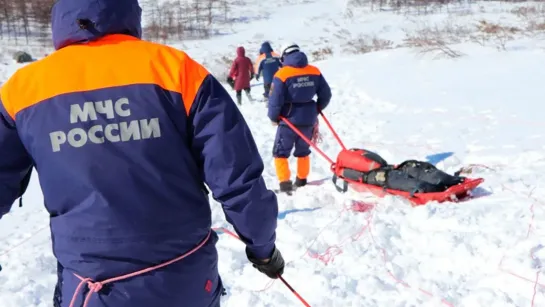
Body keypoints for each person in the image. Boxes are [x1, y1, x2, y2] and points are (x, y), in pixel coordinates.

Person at [0, 1, 284, 307]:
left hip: (91, 289)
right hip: (183, 281)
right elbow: (236, 176)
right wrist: (263, 248)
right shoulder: (176, 69)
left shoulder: (23, 89)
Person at [268, 43, 332, 193]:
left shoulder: (282, 74)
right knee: (303, 150)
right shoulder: (314, 71)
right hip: (309, 118)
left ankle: (285, 184)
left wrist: (273, 117)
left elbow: (275, 100)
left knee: (280, 152)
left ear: (284, 56)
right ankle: (302, 180)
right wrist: (316, 108)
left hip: (288, 119)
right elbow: (326, 94)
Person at [335, 148, 465, 194]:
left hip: (383, 172)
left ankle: (439, 184)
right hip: (384, 171)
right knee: (411, 171)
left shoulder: (342, 168)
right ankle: (444, 182)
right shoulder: (344, 167)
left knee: (406, 174)